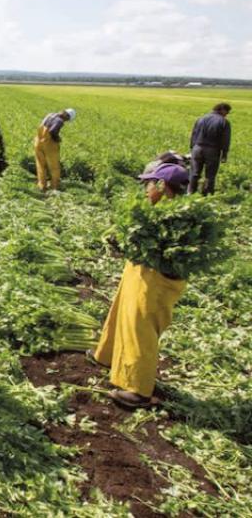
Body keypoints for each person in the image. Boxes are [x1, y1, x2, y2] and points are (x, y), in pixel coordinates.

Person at [87, 163, 190, 409]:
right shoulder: (157, 210)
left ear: (164, 187)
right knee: (122, 312)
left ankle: (138, 389)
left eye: (150, 184)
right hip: (142, 274)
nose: (146, 189)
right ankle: (108, 355)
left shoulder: (175, 218)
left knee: (140, 327)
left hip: (155, 282)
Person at [188, 102, 231, 195]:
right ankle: (207, 194)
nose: (226, 115)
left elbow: (193, 134)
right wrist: (224, 154)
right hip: (212, 150)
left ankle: (190, 192)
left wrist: (192, 148)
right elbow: (225, 139)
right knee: (210, 175)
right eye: (227, 112)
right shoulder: (224, 122)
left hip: (197, 148)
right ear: (222, 110)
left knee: (194, 173)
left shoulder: (200, 118)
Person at [34, 108, 75, 192]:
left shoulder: (50, 114)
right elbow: (53, 131)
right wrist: (57, 139)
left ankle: (42, 185)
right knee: (54, 167)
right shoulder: (59, 121)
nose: (66, 121)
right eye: (68, 119)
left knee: (41, 165)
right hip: (48, 145)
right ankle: (54, 186)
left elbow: (42, 127)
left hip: (38, 142)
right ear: (66, 116)